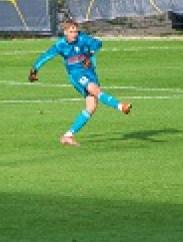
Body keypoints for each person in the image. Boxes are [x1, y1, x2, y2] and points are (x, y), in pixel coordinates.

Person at [28, 18, 131, 146]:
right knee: (95, 90)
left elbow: (98, 43)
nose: (74, 34)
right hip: (76, 74)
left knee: (91, 107)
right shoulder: (60, 45)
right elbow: (46, 56)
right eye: (71, 32)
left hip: (90, 72)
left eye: (76, 31)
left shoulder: (82, 38)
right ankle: (121, 106)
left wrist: (89, 53)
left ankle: (67, 136)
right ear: (65, 32)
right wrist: (35, 69)